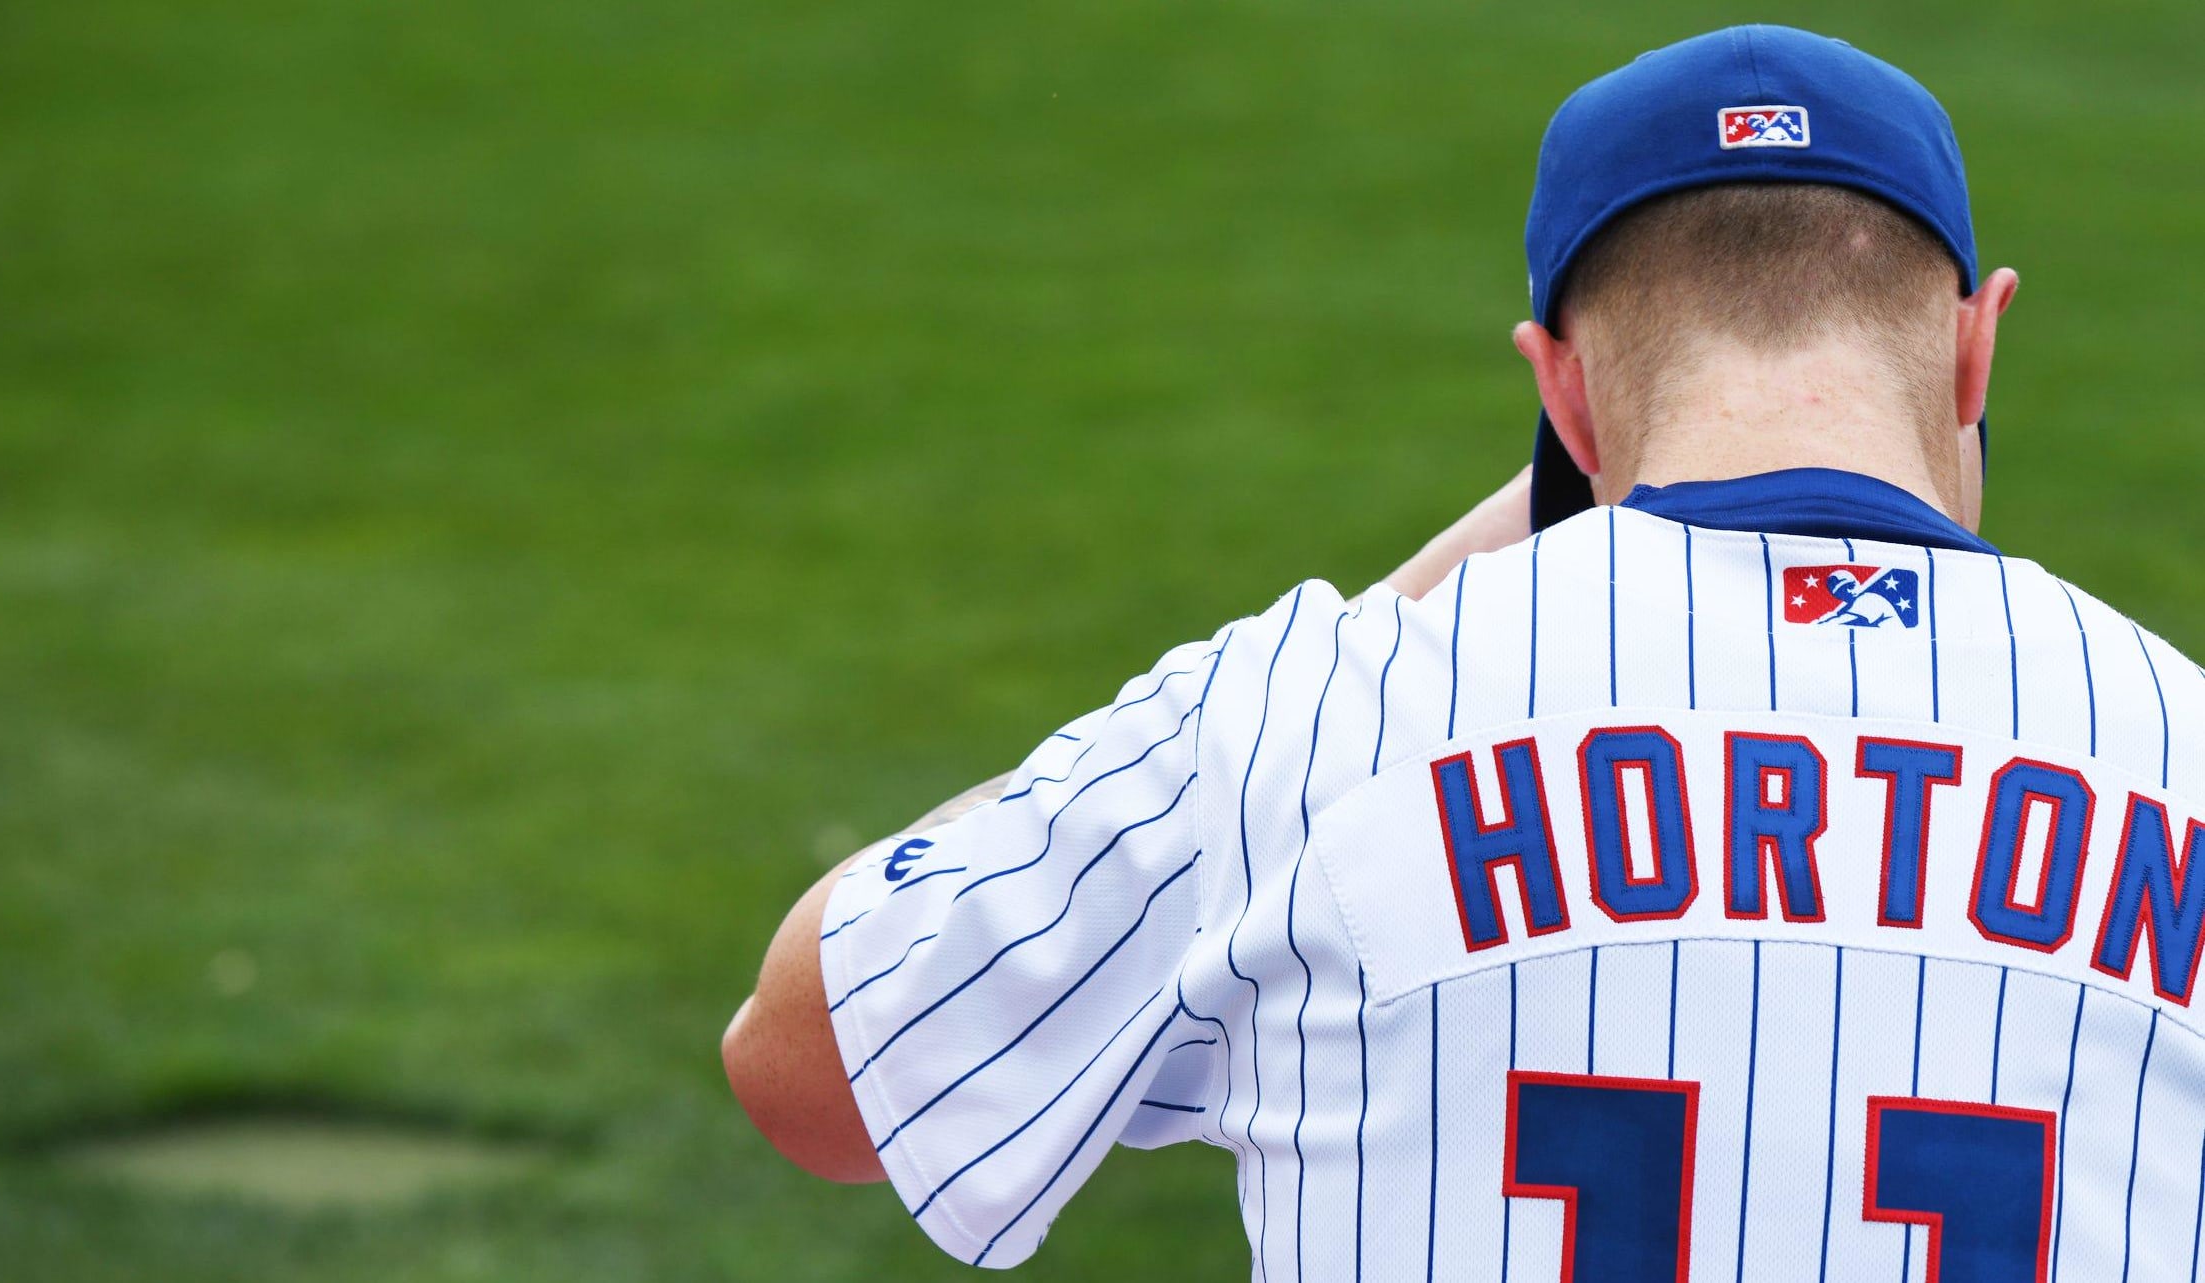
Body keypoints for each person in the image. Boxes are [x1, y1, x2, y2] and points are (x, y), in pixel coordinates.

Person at [723, 24, 2205, 1279]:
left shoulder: (1302, 724)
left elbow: (816, 1071)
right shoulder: (2183, 750)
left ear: (1556, 386)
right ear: (1974, 347)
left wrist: (1473, 552)